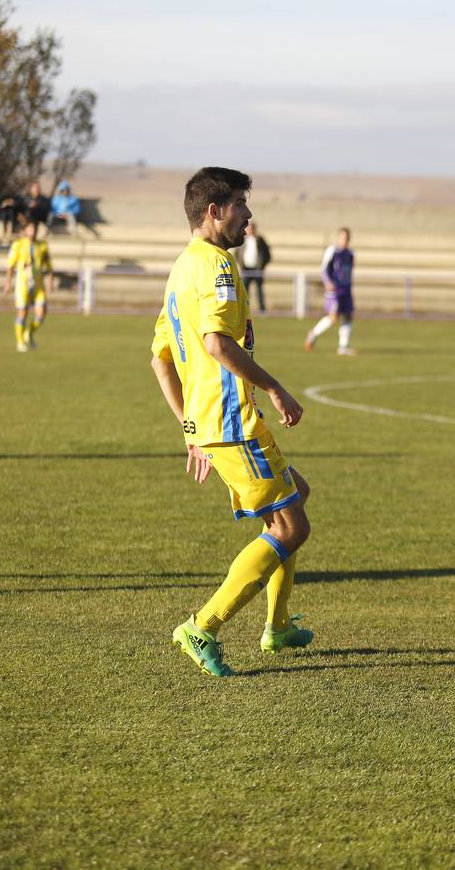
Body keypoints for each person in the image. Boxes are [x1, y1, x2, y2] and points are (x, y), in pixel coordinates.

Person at [150, 167, 314, 677]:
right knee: (291, 526)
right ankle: (203, 625)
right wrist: (274, 387)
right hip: (233, 421)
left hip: (214, 424)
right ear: (214, 211)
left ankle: (278, 626)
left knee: (293, 499)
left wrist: (190, 428)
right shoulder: (217, 266)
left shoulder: (182, 268)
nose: (249, 215)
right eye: (241, 204)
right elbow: (216, 344)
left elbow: (160, 357)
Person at [4, 220, 53, 352]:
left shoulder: (42, 246)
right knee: (23, 312)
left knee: (41, 313)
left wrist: (50, 281)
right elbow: (10, 265)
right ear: (25, 230)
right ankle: (20, 342)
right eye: (30, 228)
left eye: (35, 228)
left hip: (38, 284)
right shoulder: (18, 245)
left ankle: (28, 333)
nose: (33, 231)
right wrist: (8, 283)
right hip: (22, 284)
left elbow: (48, 265)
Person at [305, 227, 356, 355]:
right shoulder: (332, 251)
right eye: (342, 237)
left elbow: (348, 272)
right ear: (338, 238)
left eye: (346, 238)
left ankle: (343, 346)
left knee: (348, 316)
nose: (344, 240)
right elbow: (323, 269)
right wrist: (328, 282)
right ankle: (313, 333)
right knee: (333, 317)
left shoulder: (350, 254)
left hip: (346, 289)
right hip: (334, 289)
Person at [238, 220, 271, 312]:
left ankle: (262, 309)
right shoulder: (242, 239)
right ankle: (243, 309)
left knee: (259, 290)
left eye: (252, 228)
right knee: (244, 291)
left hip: (257, 270)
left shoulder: (260, 240)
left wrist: (262, 266)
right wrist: (241, 264)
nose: (250, 230)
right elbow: (238, 254)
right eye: (249, 228)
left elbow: (267, 254)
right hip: (246, 270)